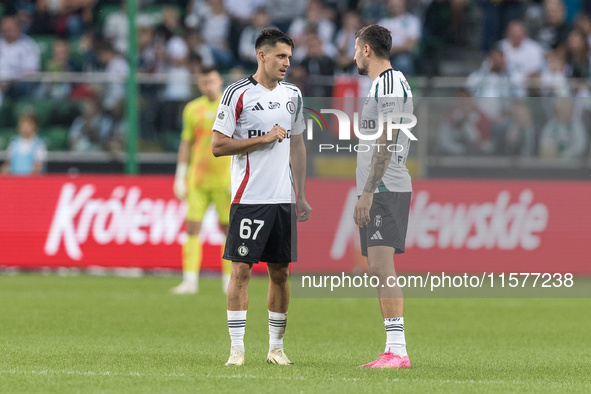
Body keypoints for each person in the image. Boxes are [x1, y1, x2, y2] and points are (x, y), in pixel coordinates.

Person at [211, 28, 312, 366]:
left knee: (280, 272)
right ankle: (236, 350)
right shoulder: (236, 94)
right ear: (262, 55)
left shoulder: (293, 95)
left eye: (289, 57)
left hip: (282, 198)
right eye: (281, 56)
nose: (287, 63)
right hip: (249, 197)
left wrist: (301, 194)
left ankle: (276, 348)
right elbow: (218, 146)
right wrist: (262, 139)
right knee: (240, 270)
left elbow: (297, 145)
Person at [352, 24, 414, 369]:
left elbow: (387, 140)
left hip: (386, 188)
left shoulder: (388, 83)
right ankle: (393, 349)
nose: (353, 56)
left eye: (355, 49)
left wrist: (368, 191)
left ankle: (398, 351)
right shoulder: (386, 83)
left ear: (366, 50)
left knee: (381, 267)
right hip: (384, 187)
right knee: (377, 267)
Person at [172, 67, 233, 295]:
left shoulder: (230, 106)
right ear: (199, 84)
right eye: (204, 82)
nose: (209, 86)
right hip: (197, 179)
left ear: (220, 82)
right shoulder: (192, 109)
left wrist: (238, 175)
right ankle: (189, 280)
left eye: (212, 81)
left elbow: (241, 140)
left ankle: (229, 280)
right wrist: (180, 174)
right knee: (192, 228)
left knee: (228, 230)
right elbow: (186, 142)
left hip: (224, 179)